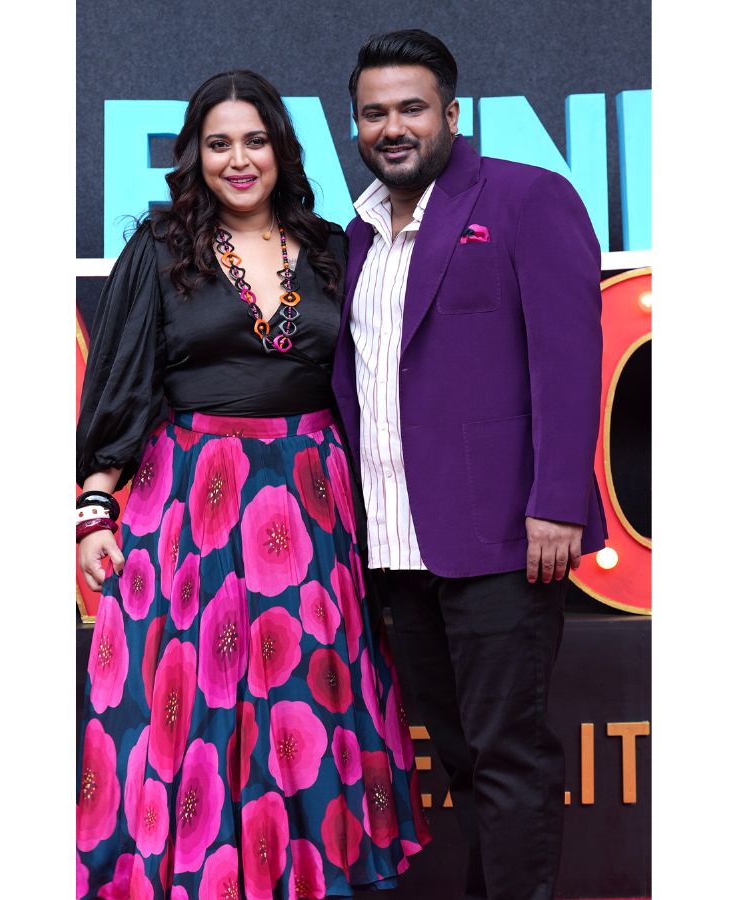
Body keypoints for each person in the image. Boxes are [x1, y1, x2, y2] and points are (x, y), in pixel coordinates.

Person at [75, 69, 429, 900]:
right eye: (219, 144)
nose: (238, 160)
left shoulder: (336, 249)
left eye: (255, 141)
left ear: (282, 149)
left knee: (305, 699)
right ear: (195, 156)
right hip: (189, 503)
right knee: (192, 712)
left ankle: (303, 878)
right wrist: (93, 506)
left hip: (311, 504)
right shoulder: (161, 250)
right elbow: (122, 384)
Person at [331, 31, 608, 900]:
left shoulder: (527, 198)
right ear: (355, 125)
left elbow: (570, 360)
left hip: (503, 539)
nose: (393, 127)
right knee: (460, 756)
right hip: (394, 549)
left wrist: (557, 500)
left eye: (412, 108)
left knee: (508, 756)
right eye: (375, 113)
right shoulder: (358, 235)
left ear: (452, 114)